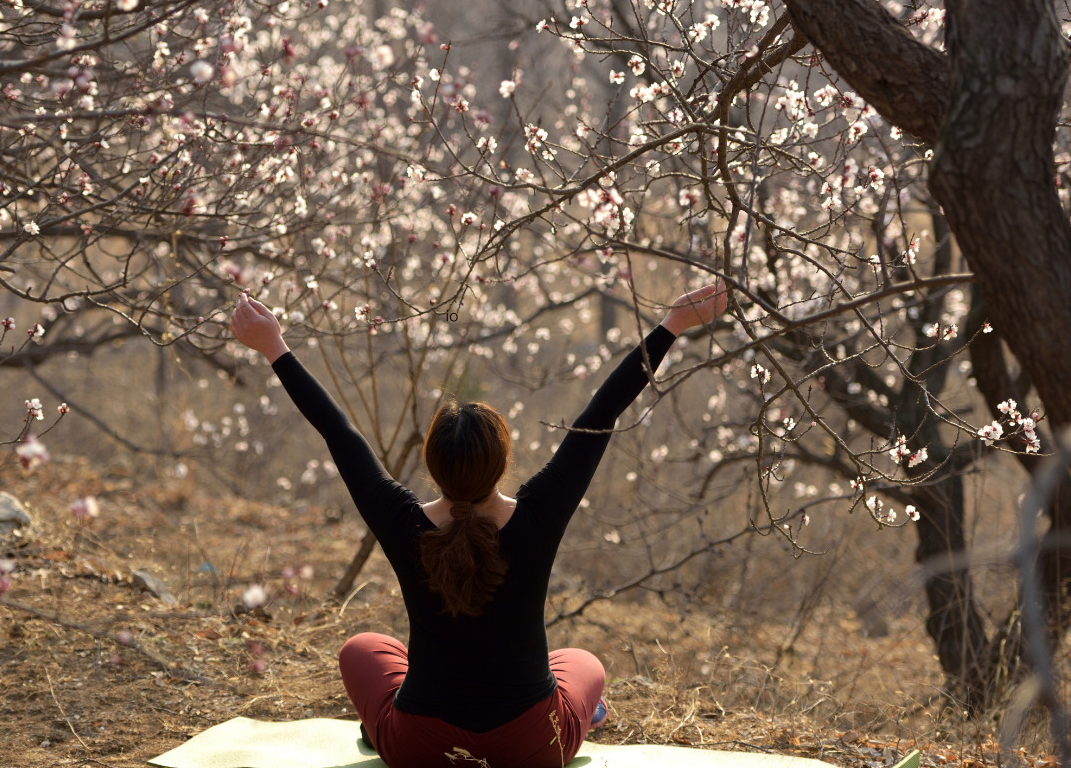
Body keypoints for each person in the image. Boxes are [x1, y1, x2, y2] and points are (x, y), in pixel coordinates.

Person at [229, 284, 727, 768]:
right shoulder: (540, 513)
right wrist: (673, 324)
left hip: (421, 748)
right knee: (582, 663)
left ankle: (380, 721)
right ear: (503, 459)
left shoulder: (402, 521)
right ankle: (580, 716)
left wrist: (275, 346)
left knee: (361, 649)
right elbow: (604, 409)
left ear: (432, 462)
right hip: (534, 747)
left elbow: (339, 433)